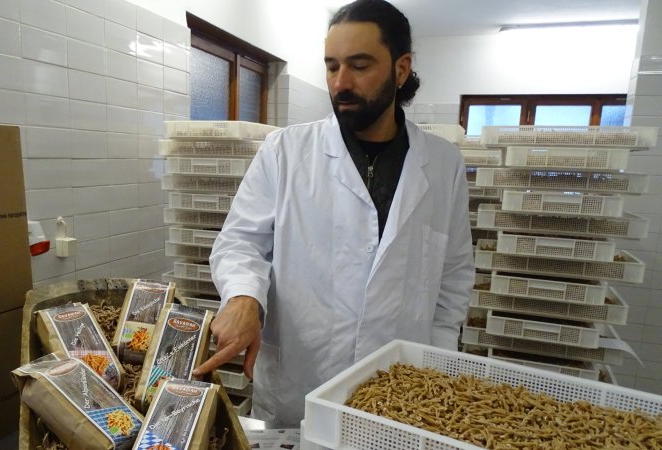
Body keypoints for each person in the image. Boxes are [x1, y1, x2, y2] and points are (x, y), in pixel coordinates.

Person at [192, 0, 475, 428]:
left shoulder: (442, 163)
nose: (340, 82)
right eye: (331, 66)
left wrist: (436, 368)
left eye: (359, 66)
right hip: (300, 381)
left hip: (401, 391)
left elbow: (453, 278)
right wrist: (244, 295)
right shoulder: (285, 152)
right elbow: (239, 243)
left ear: (400, 70)